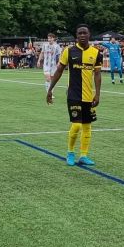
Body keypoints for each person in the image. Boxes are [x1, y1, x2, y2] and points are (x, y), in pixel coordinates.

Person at [46, 24, 102, 167]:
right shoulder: (69, 51)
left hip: (88, 96)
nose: (82, 35)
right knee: (76, 125)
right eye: (79, 33)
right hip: (73, 94)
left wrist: (98, 94)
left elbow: (97, 74)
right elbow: (59, 70)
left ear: (89, 35)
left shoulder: (96, 53)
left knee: (87, 126)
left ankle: (83, 155)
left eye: (85, 33)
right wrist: (50, 89)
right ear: (76, 36)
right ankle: (70, 152)